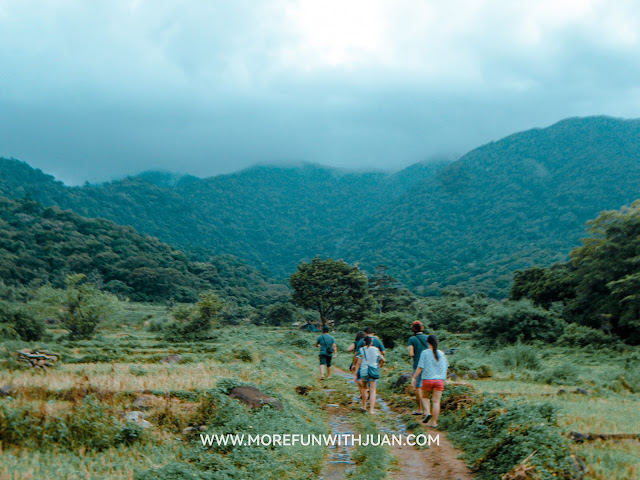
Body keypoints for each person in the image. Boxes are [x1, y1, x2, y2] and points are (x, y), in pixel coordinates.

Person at [411, 334, 448, 428]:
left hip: (427, 379)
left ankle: (427, 412)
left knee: (425, 397)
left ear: (428, 342)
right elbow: (446, 367)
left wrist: (414, 377)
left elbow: (420, 367)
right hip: (439, 381)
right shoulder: (441, 353)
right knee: (436, 402)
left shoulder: (425, 353)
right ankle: (434, 422)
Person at [353, 336, 385, 414]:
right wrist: (380, 365)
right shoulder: (376, 349)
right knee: (373, 390)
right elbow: (383, 359)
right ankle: (372, 409)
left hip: (364, 371)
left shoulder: (361, 349)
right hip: (373, 370)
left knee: (364, 389)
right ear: (371, 342)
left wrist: (355, 374)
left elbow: (358, 363)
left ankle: (364, 406)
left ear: (364, 342)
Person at [407, 321, 430, 415]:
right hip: (429, 366)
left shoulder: (412, 339)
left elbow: (411, 353)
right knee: (427, 387)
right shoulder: (428, 338)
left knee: (418, 387)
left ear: (413, 329)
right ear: (422, 327)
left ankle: (420, 409)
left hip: (417, 366)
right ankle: (427, 410)